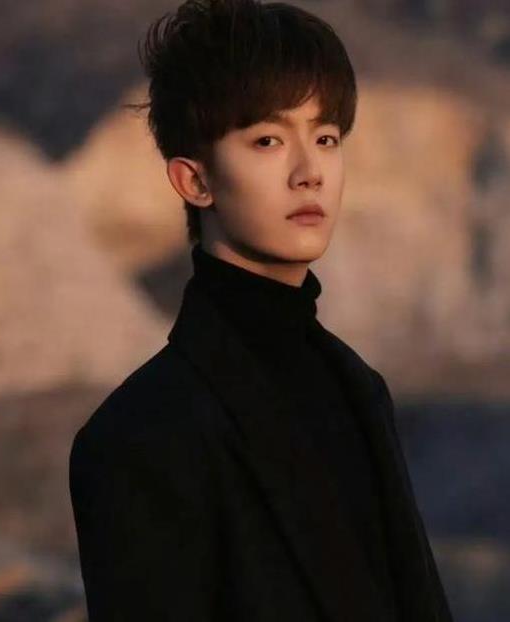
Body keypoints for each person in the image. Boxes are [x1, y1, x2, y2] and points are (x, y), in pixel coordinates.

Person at [69, 1, 455, 620]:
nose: (310, 173)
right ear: (195, 181)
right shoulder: (140, 434)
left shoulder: (360, 389)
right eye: (268, 141)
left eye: (326, 138)